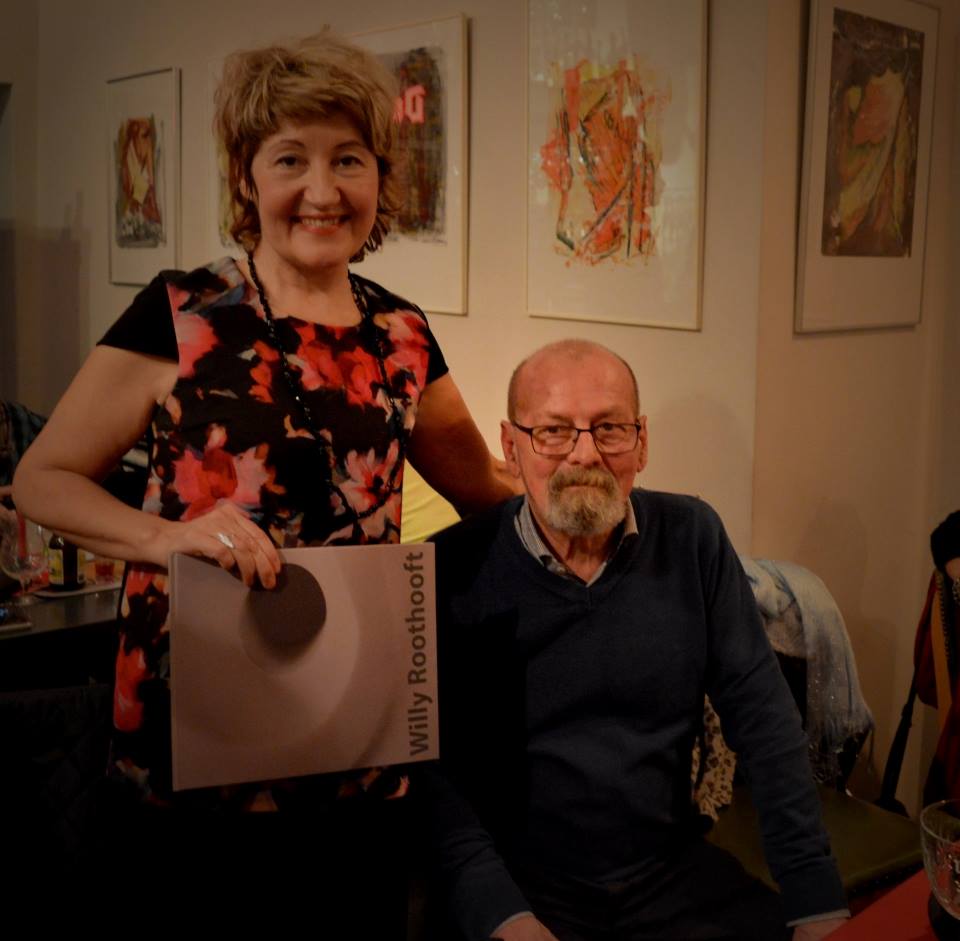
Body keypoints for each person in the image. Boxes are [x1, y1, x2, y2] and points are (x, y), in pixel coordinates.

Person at [13, 30, 512, 917]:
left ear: (380, 177)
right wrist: (165, 538)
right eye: (291, 159)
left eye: (348, 159)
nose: (322, 190)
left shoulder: (403, 334)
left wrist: (591, 479)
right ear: (247, 177)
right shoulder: (183, 311)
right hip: (197, 729)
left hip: (355, 732)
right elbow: (42, 477)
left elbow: (483, 490)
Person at [421, 339, 849, 941]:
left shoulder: (693, 537)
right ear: (510, 447)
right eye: (553, 431)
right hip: (520, 890)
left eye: (610, 428)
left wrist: (816, 901)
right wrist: (501, 914)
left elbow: (765, 724)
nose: (585, 454)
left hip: (669, 874)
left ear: (642, 442)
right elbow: (433, 775)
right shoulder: (452, 566)